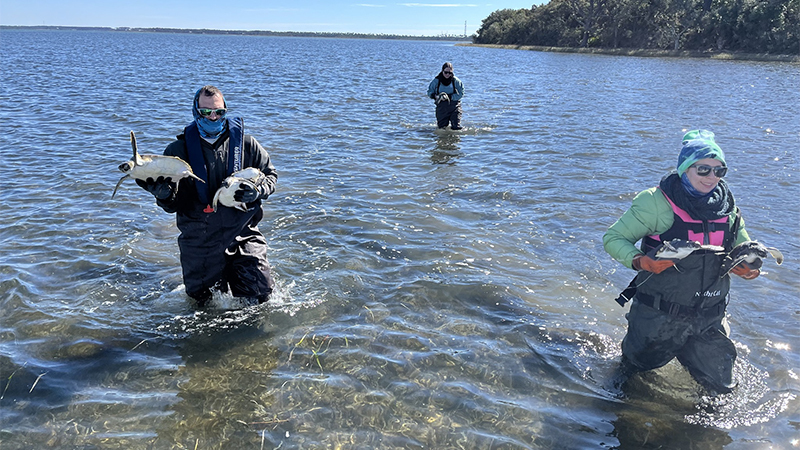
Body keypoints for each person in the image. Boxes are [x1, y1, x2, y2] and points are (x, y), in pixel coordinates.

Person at [602, 130, 760, 394]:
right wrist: (642, 261)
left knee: (721, 391)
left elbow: (743, 248)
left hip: (710, 319)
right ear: (685, 168)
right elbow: (614, 238)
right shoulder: (654, 202)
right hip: (657, 318)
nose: (712, 178)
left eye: (719, 171)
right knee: (629, 382)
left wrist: (748, 268)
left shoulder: (728, 208)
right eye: (703, 170)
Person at [136, 85, 278, 307]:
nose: (213, 117)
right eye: (206, 112)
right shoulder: (176, 151)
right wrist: (164, 196)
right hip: (198, 239)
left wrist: (258, 191)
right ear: (196, 111)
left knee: (261, 299)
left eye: (219, 112)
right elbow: (172, 204)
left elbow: (271, 175)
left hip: (243, 233)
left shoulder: (247, 144)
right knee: (203, 307)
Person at [427, 62, 464, 130]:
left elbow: (461, 93)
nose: (447, 74)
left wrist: (450, 97)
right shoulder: (436, 81)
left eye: (450, 73)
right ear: (442, 71)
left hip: (454, 106)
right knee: (442, 129)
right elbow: (429, 92)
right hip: (441, 107)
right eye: (446, 72)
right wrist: (435, 96)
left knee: (456, 127)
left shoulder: (456, 81)